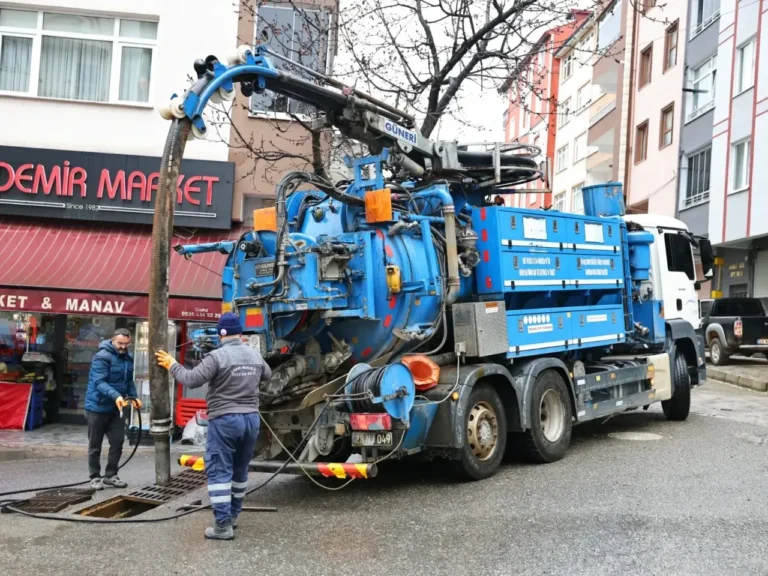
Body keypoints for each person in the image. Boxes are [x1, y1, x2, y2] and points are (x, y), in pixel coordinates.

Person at [155, 312, 271, 540]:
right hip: (251, 420)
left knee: (219, 471)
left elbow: (191, 379)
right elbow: (267, 375)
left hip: (226, 420)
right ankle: (233, 517)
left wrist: (172, 365)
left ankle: (222, 526)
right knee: (240, 471)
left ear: (221, 334)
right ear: (240, 333)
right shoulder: (254, 355)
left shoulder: (216, 357)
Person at [85, 328, 141, 490]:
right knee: (95, 445)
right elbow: (99, 382)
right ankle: (95, 477)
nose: (123, 347)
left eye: (126, 344)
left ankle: (111, 475)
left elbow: (128, 381)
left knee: (117, 442)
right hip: (97, 407)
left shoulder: (127, 358)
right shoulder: (101, 357)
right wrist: (117, 395)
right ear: (112, 340)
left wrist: (134, 397)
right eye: (120, 343)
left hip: (117, 409)